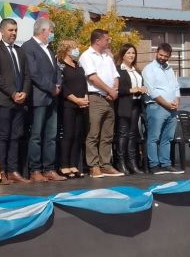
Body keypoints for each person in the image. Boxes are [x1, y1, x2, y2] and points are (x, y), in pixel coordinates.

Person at [21, 18, 65, 182]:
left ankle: (49, 168)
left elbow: (57, 70)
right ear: (43, 31)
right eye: (51, 31)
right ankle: (35, 170)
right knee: (37, 135)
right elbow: (34, 73)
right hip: (39, 97)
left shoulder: (49, 49)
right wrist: (51, 87)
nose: (52, 34)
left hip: (52, 97)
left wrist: (58, 84)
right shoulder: (29, 47)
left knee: (51, 135)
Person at [0, 18, 31, 184]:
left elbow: (27, 75)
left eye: (15, 30)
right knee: (3, 136)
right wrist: (13, 93)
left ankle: (13, 170)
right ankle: (2, 171)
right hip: (4, 101)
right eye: (10, 30)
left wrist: (24, 93)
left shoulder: (20, 51)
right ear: (2, 31)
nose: (13, 33)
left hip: (20, 102)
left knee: (16, 136)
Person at [79, 29, 123, 178]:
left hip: (109, 99)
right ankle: (93, 166)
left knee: (107, 134)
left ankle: (106, 164)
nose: (108, 42)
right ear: (98, 41)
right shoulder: (87, 56)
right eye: (106, 39)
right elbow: (92, 78)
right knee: (93, 133)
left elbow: (115, 75)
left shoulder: (107, 56)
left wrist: (114, 90)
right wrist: (110, 90)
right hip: (96, 98)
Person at [142, 43, 183, 175]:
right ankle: (154, 165)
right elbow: (152, 91)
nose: (163, 58)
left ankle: (166, 163)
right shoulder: (149, 69)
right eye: (161, 55)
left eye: (166, 56)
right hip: (156, 107)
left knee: (168, 137)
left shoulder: (170, 69)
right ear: (156, 53)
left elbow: (176, 87)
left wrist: (177, 100)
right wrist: (166, 104)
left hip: (171, 108)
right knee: (154, 137)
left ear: (169, 56)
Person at [57, 40, 87, 179]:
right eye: (74, 48)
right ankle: (64, 166)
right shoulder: (61, 66)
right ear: (67, 50)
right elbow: (63, 86)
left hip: (81, 105)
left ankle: (74, 164)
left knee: (77, 135)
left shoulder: (78, 65)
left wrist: (85, 98)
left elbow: (83, 83)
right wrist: (75, 99)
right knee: (68, 135)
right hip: (68, 104)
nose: (77, 50)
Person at [114, 43, 146, 175]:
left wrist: (143, 89)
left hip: (136, 105)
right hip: (124, 104)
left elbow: (140, 85)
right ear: (123, 54)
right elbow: (116, 89)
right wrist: (131, 90)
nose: (131, 55)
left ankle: (132, 163)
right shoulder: (118, 70)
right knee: (123, 134)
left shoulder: (137, 70)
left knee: (132, 135)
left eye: (133, 53)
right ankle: (121, 162)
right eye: (128, 53)